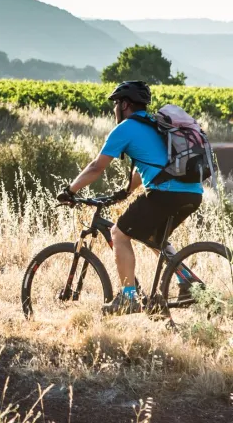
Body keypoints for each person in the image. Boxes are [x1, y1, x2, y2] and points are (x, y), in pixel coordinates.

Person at [57, 80, 203, 315]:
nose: (115, 109)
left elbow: (96, 167)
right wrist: (124, 193)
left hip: (165, 193)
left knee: (118, 233)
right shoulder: (156, 124)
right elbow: (144, 167)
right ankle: (187, 281)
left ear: (124, 104)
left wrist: (70, 191)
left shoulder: (125, 128)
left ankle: (128, 298)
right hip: (192, 192)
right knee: (156, 238)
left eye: (116, 104)